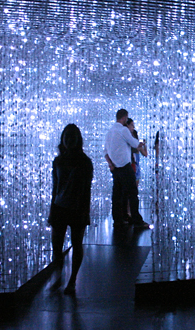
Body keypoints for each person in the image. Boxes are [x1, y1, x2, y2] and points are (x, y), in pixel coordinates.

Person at [48, 124, 93, 295]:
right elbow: (55, 188)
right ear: (63, 139)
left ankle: (72, 280)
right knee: (56, 247)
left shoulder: (85, 162)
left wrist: (85, 212)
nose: (69, 140)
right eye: (66, 137)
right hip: (60, 208)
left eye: (72, 137)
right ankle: (59, 277)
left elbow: (87, 190)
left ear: (78, 140)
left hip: (77, 209)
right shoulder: (58, 161)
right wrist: (51, 210)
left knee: (77, 244)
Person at [104, 109, 149, 229]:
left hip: (115, 169)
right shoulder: (123, 130)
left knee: (117, 195)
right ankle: (137, 221)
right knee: (132, 194)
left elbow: (105, 152)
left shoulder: (109, 132)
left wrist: (111, 165)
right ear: (124, 118)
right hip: (125, 167)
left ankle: (118, 220)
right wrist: (142, 143)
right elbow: (135, 144)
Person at [126, 118, 147, 188]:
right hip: (131, 167)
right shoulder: (127, 142)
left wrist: (144, 145)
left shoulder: (136, 145)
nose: (133, 127)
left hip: (134, 167)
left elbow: (145, 154)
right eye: (132, 125)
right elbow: (145, 154)